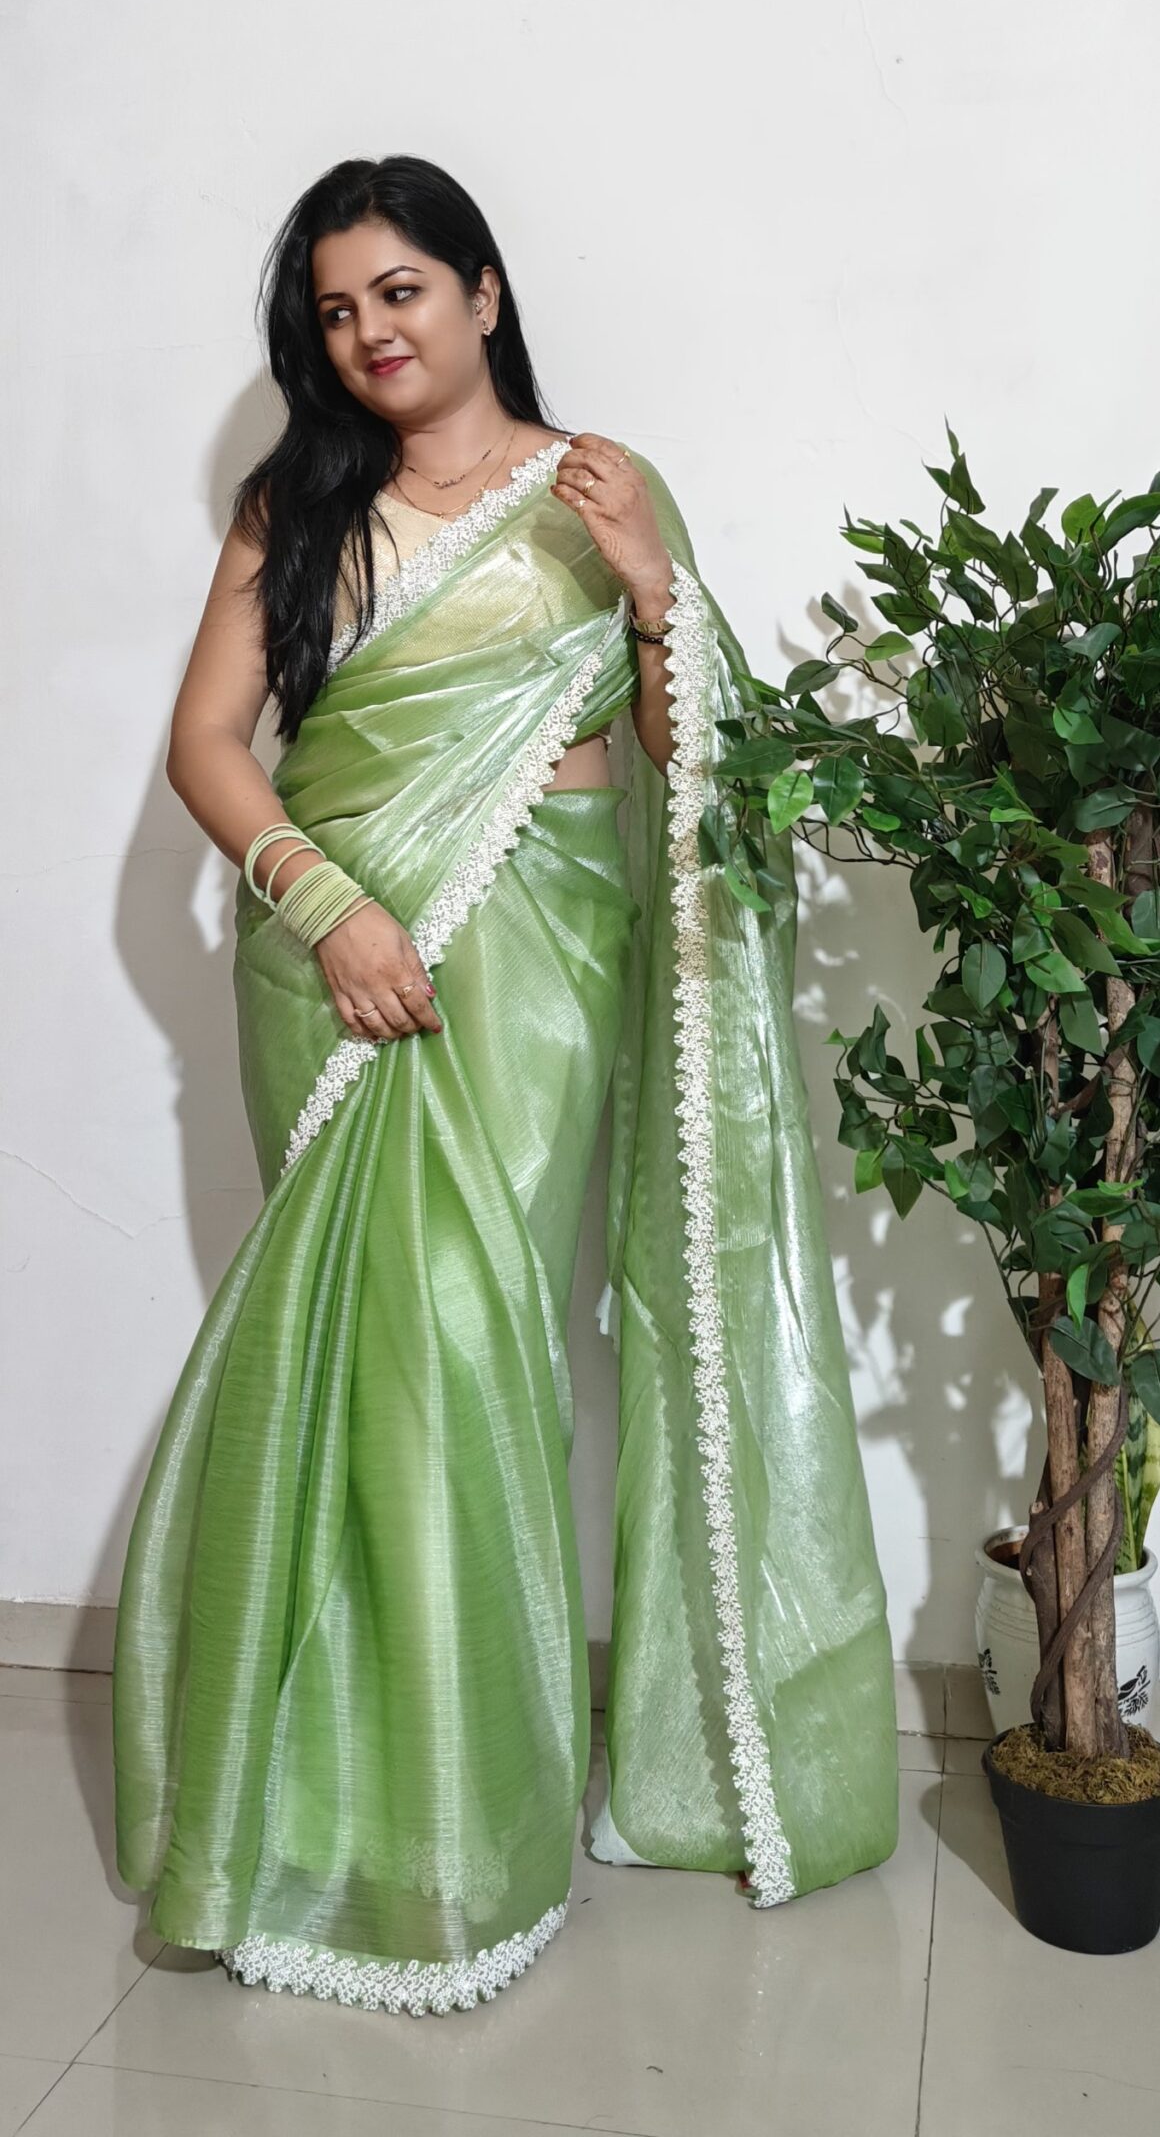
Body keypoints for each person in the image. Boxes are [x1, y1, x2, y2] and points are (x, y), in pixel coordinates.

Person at [112, 154, 898, 2018]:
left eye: (399, 291)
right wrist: (324, 903)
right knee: (349, 1359)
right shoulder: (298, 509)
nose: (370, 333)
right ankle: (317, 1821)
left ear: (479, 291)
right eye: (335, 312)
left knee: (473, 1353)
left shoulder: (598, 490)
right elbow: (210, 744)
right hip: (334, 960)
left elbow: (688, 763)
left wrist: (650, 592)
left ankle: (468, 1823)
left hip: (541, 957)